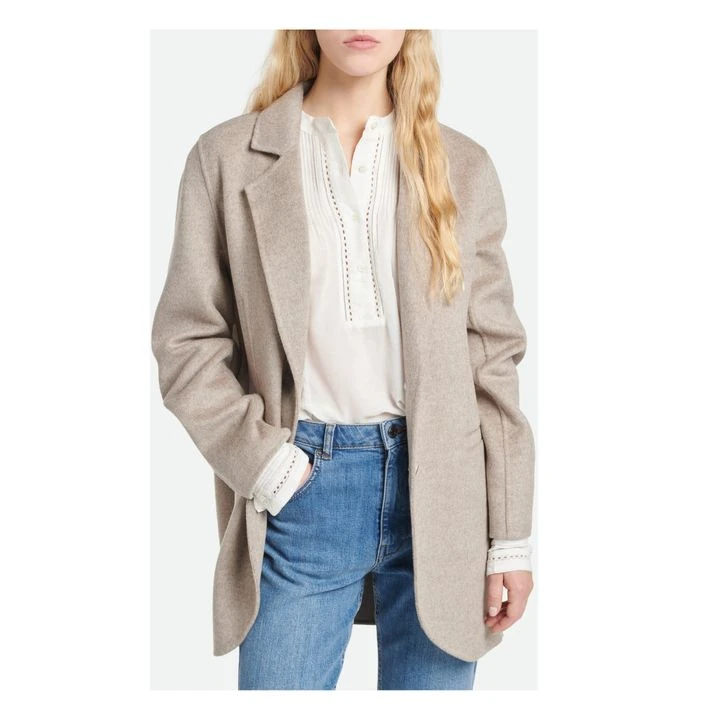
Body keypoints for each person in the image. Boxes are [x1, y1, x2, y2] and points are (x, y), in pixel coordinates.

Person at [151, 29, 535, 691]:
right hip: (300, 494)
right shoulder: (227, 158)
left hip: (445, 500)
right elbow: (186, 342)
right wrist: (267, 465)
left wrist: (510, 537)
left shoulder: (462, 166)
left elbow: (492, 361)